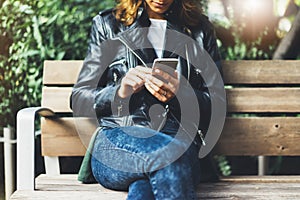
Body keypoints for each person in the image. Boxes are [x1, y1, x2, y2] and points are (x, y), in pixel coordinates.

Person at [71, 0, 224, 199]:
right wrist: (120, 92)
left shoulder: (199, 29)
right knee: (169, 156)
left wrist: (183, 92)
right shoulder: (108, 24)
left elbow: (218, 104)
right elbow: (79, 98)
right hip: (118, 140)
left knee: (145, 189)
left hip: (179, 140)